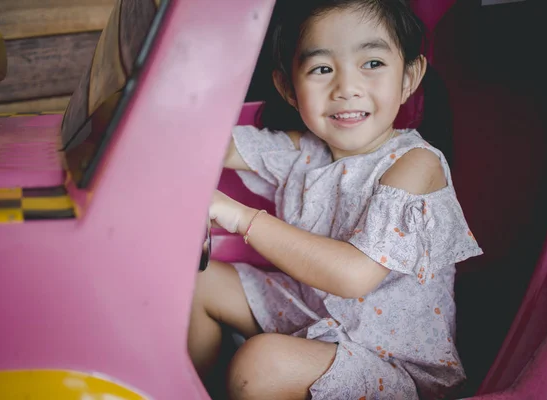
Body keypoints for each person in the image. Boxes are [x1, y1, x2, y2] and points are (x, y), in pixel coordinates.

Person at [188, 1, 483, 399]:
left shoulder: (416, 164)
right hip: (313, 317)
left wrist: (242, 217)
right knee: (197, 284)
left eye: (372, 63)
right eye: (322, 69)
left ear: (409, 77)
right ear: (289, 89)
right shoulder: (301, 151)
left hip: (389, 364)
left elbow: (353, 276)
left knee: (260, 365)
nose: (346, 88)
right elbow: (205, 145)